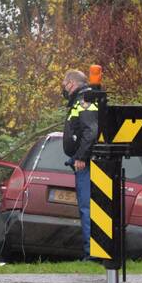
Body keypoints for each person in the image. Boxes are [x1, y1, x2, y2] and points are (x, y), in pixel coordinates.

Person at [61, 69, 98, 261]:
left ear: (72, 83)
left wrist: (81, 157)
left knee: (87, 208)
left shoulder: (84, 100)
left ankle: (91, 254)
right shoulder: (81, 100)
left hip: (86, 163)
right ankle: (91, 252)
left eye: (65, 84)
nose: (64, 88)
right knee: (86, 208)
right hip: (82, 160)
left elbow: (90, 131)